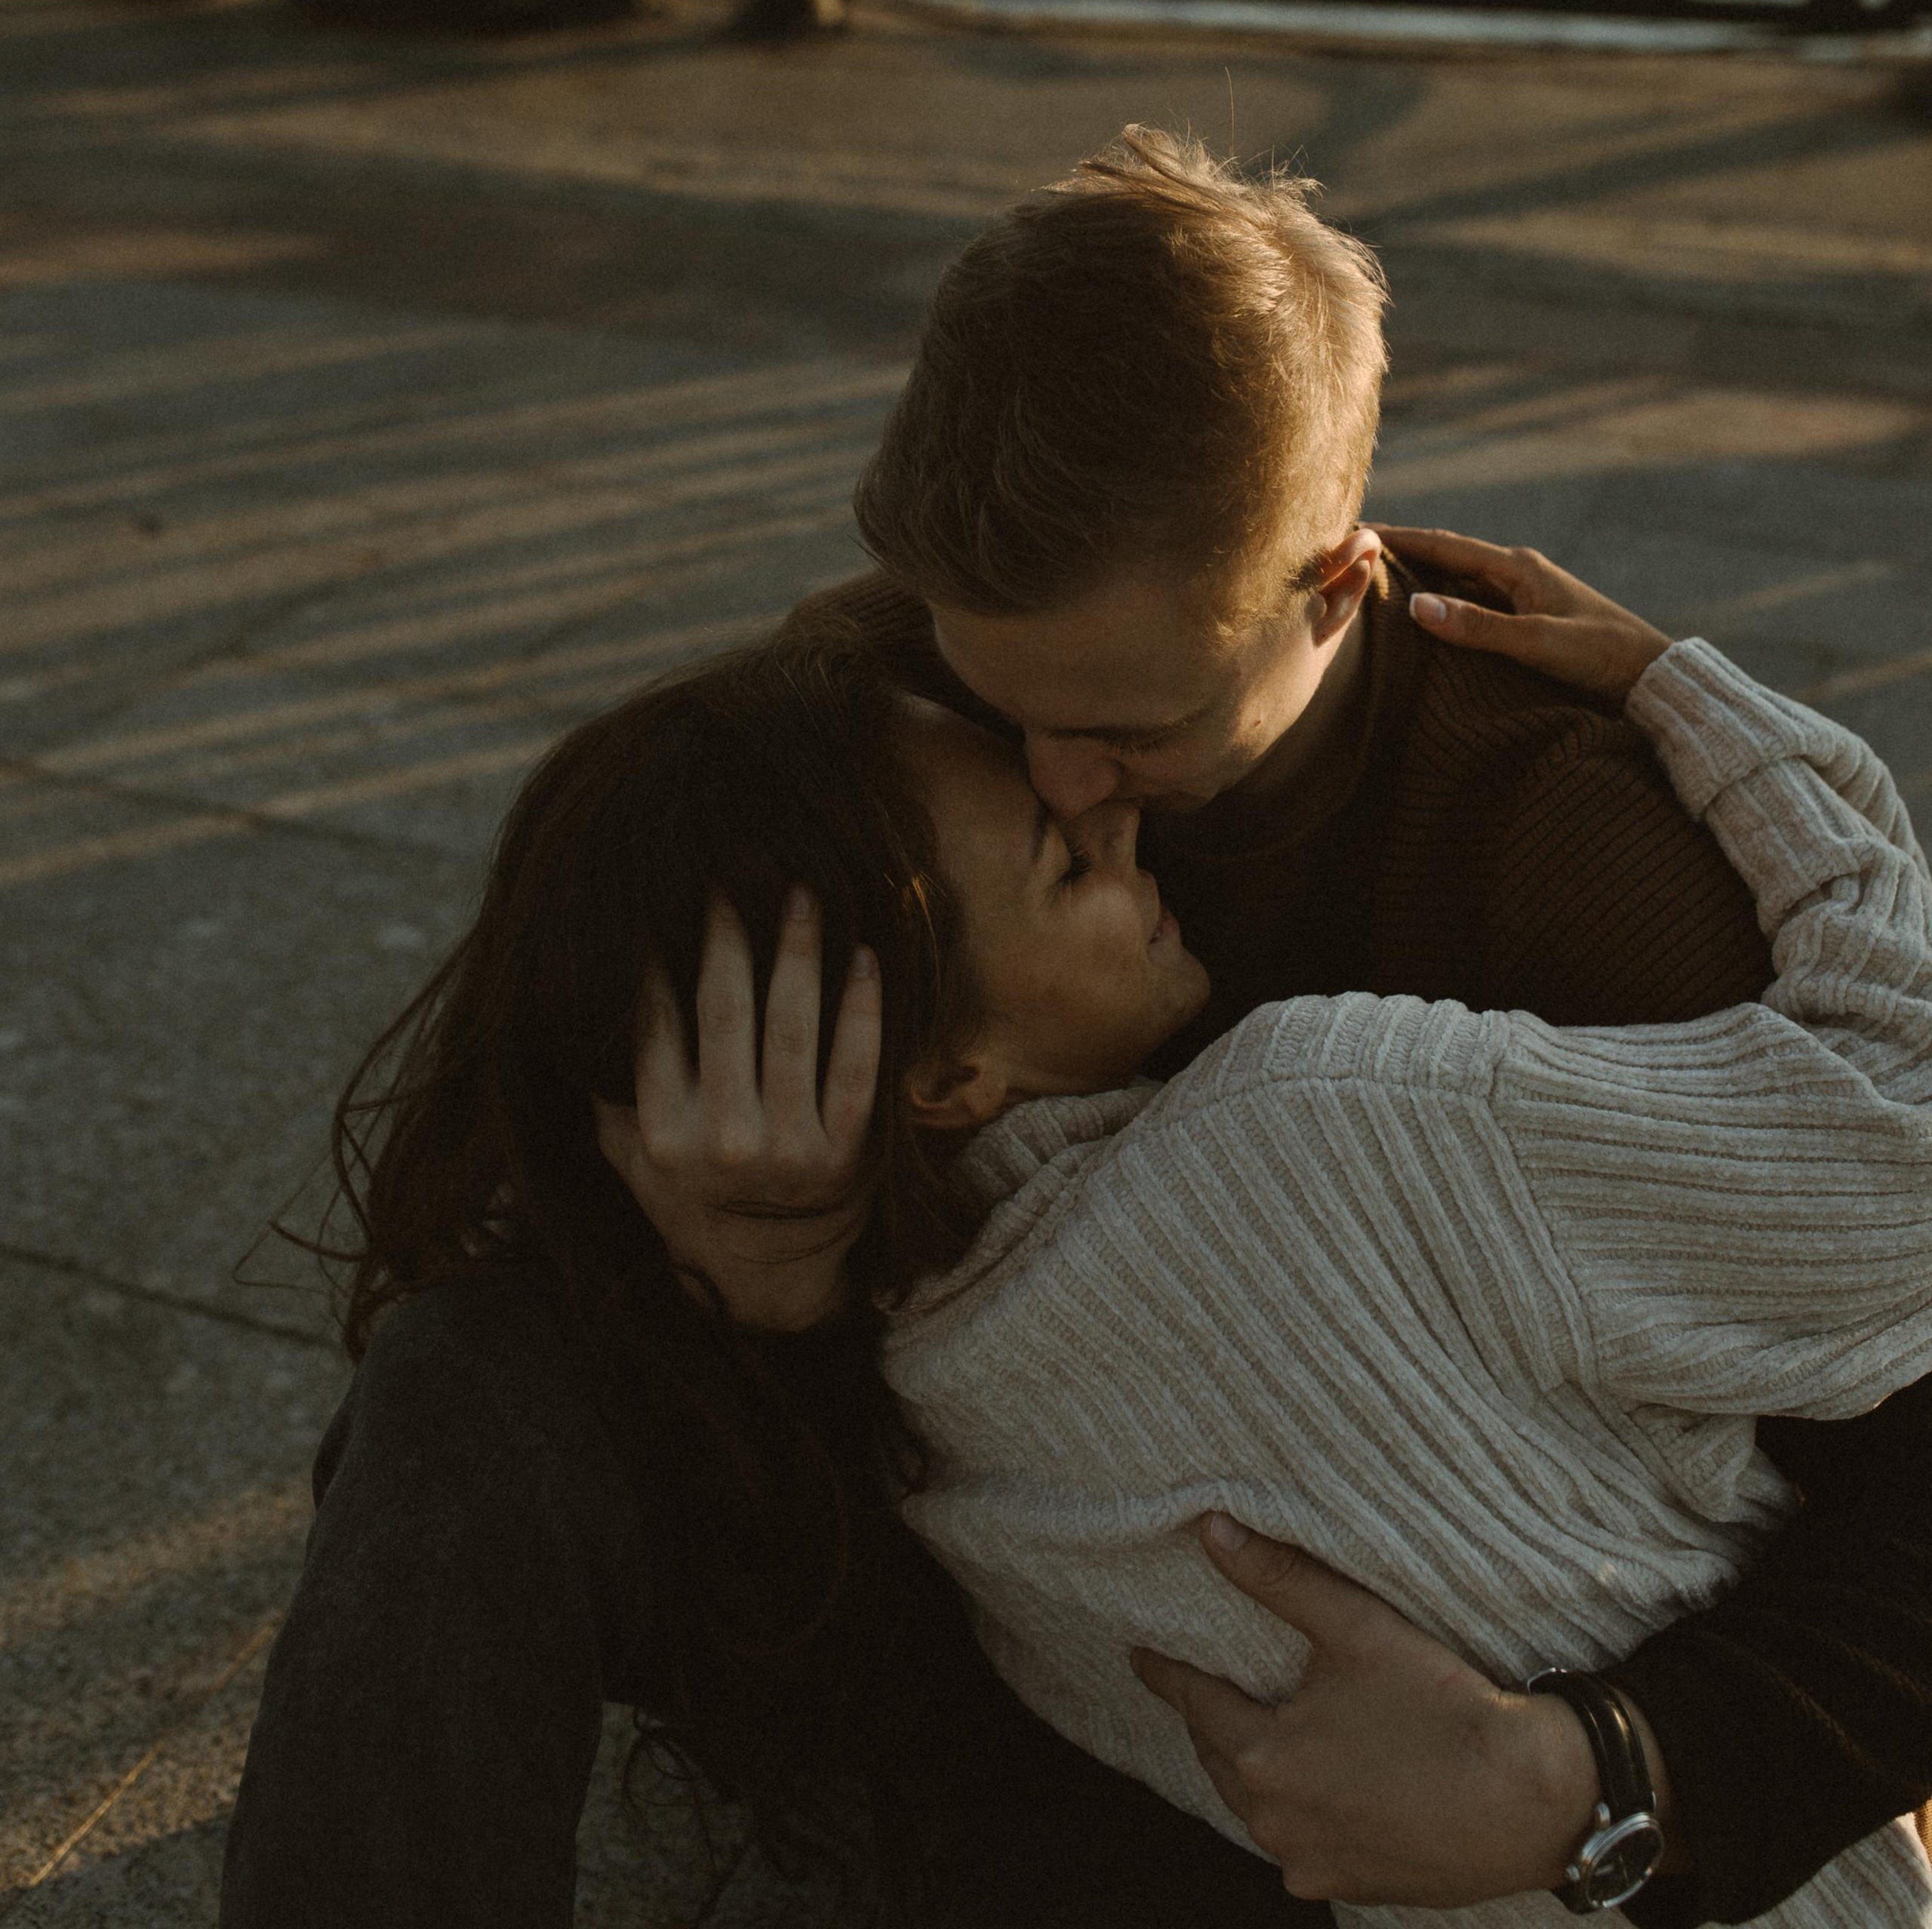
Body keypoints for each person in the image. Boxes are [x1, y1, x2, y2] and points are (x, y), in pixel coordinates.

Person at [223, 571, 1932, 1928]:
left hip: (1653, 1806)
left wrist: (1602, 1773)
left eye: (1119, 746)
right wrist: (748, 1293)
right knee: (469, 1375)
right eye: (1056, 836)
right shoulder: (1247, 1121)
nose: (1102, 805)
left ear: (1331, 593)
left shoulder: (1502, 868)